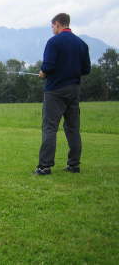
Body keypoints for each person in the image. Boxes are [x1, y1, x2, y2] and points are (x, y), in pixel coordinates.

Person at [34, 13, 91, 175]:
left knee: (50, 127)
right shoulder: (82, 44)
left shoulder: (53, 42)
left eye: (52, 26)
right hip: (74, 90)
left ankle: (44, 166)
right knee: (73, 128)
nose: (52, 29)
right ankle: (74, 165)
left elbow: (48, 66)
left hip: (55, 91)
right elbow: (86, 70)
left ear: (58, 24)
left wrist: (43, 73)